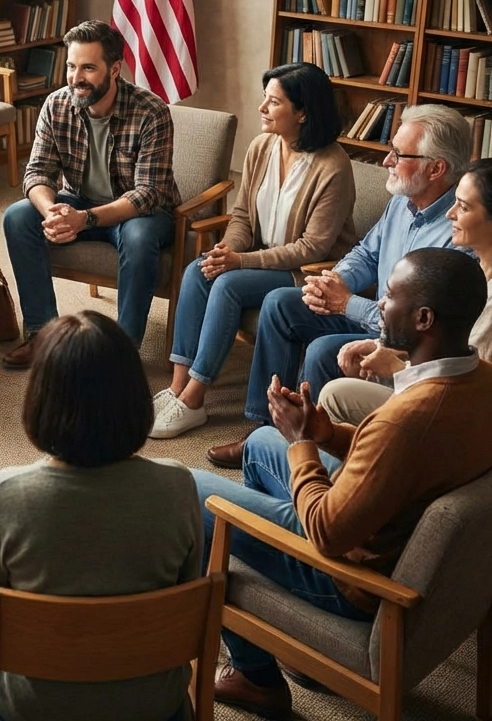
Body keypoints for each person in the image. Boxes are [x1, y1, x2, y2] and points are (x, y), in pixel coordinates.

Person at [191, 247, 492, 720]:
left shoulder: (407, 419)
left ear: (424, 319)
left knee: (190, 490)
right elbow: (402, 461)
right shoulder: (480, 381)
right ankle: (284, 639)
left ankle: (256, 677)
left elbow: (327, 531)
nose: (381, 304)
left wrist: (301, 444)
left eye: (390, 295)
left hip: (351, 579)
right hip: (392, 524)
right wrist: (324, 432)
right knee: (260, 443)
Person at [206, 103, 471, 469]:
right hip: (373, 314)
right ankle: (264, 427)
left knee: (322, 351)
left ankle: (313, 451)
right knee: (281, 303)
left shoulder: (460, 232)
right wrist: (334, 281)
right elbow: (367, 253)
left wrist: (346, 303)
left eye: (398, 154)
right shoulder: (402, 201)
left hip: (401, 338)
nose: (386, 161)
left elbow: (419, 325)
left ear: (436, 168)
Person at [0, 311, 201, 721]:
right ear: (135, 398)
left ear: (41, 400)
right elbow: (187, 593)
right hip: (153, 705)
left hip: (33, 708)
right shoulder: (179, 486)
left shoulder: (4, 495)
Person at [153, 63, 355, 439]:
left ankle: (195, 399)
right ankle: (178, 387)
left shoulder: (334, 166)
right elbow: (244, 216)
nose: (262, 107)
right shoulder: (261, 146)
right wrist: (225, 251)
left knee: (229, 284)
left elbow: (313, 246)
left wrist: (240, 261)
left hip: (306, 271)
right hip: (261, 258)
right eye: (265, 98)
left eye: (273, 102)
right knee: (200, 269)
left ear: (303, 112)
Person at [2, 20, 179, 367]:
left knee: (140, 237)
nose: (76, 77)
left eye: (88, 68)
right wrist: (52, 211)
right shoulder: (56, 105)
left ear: (114, 69)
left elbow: (148, 193)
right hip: (77, 201)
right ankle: (42, 334)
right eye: (71, 66)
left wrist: (84, 220)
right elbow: (37, 173)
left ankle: (122, 352)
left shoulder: (151, 111)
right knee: (17, 216)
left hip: (136, 213)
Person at [321, 157, 492, 425]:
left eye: (463, 207)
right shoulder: (474, 270)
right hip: (431, 384)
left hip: (452, 413)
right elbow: (444, 344)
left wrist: (398, 368)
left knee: (334, 394)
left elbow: (470, 383)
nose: (450, 214)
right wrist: (384, 347)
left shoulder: (478, 289)